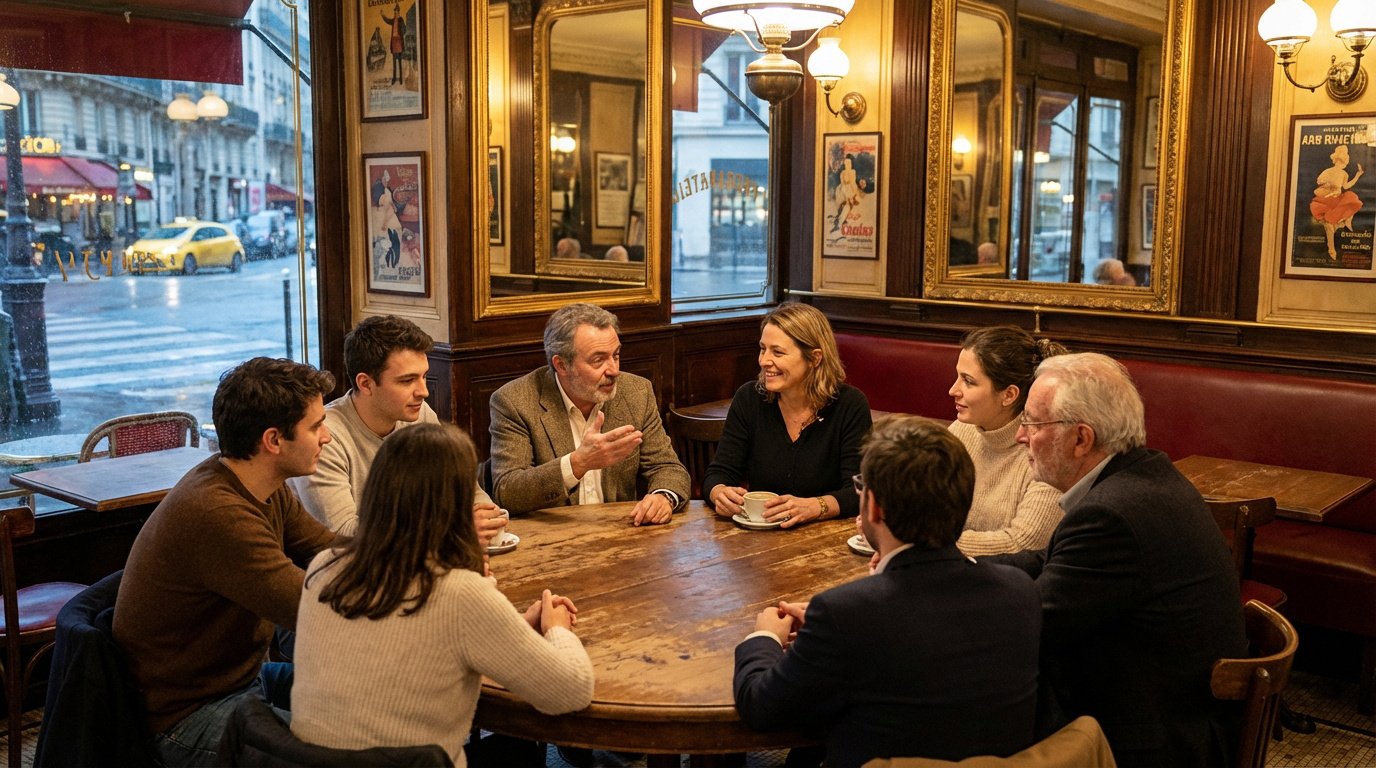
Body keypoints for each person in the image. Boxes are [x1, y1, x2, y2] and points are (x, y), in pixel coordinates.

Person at [732, 416, 1041, 768]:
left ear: (874, 506)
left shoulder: (846, 615)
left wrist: (765, 637)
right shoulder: (1021, 593)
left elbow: (761, 709)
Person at [291, 423, 594, 766]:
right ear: (453, 504)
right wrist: (557, 629)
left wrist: (511, 628)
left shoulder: (325, 566)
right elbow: (571, 691)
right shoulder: (457, 592)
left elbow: (415, 652)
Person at [1002, 352, 1246, 767]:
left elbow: (1031, 626)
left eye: (1030, 422)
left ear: (1081, 438)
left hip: (1153, 741)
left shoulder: (1112, 515)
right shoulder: (1144, 475)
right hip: (1171, 709)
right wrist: (959, 568)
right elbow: (1046, 561)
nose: (1020, 436)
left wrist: (940, 598)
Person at [114, 357, 338, 766]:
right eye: (316, 426)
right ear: (274, 440)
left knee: (384, 700)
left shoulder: (263, 485)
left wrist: (419, 559)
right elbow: (314, 609)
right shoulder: (217, 512)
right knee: (346, 755)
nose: (326, 436)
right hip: (187, 715)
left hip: (245, 681)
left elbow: (331, 551)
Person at [289, 315, 506, 542]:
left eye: (423, 376)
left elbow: (467, 491)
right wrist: (451, 530)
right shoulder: (324, 438)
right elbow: (343, 534)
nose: (423, 392)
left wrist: (488, 518)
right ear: (366, 384)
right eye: (407, 380)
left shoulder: (419, 415)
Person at [488, 302, 690, 521]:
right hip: (551, 538)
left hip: (621, 532)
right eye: (598, 360)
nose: (614, 370)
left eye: (616, 355)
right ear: (561, 365)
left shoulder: (636, 392)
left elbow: (668, 467)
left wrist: (663, 497)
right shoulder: (514, 401)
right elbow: (507, 491)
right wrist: (578, 463)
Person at [704, 303, 871, 527]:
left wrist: (815, 507)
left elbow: (859, 491)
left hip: (827, 538)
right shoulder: (749, 398)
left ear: (814, 358)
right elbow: (719, 472)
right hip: (759, 539)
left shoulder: (849, 405)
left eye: (778, 352)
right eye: (763, 349)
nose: (764, 361)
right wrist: (720, 493)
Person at [947, 326, 1066, 556]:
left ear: (1009, 395)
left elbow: (1023, 543)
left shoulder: (1044, 452)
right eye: (958, 377)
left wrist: (927, 546)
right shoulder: (962, 430)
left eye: (968, 381)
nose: (953, 390)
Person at [1310, 143, 1365, 260]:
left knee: (1352, 197)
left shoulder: (1344, 174)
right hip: (1327, 201)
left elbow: (1346, 186)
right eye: (1341, 161)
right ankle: (1332, 249)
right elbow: (1319, 181)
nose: (1343, 164)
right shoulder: (1328, 171)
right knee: (1329, 226)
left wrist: (1357, 175)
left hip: (1338, 200)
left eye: (1344, 162)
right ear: (1336, 160)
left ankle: (1345, 222)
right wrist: (1328, 184)